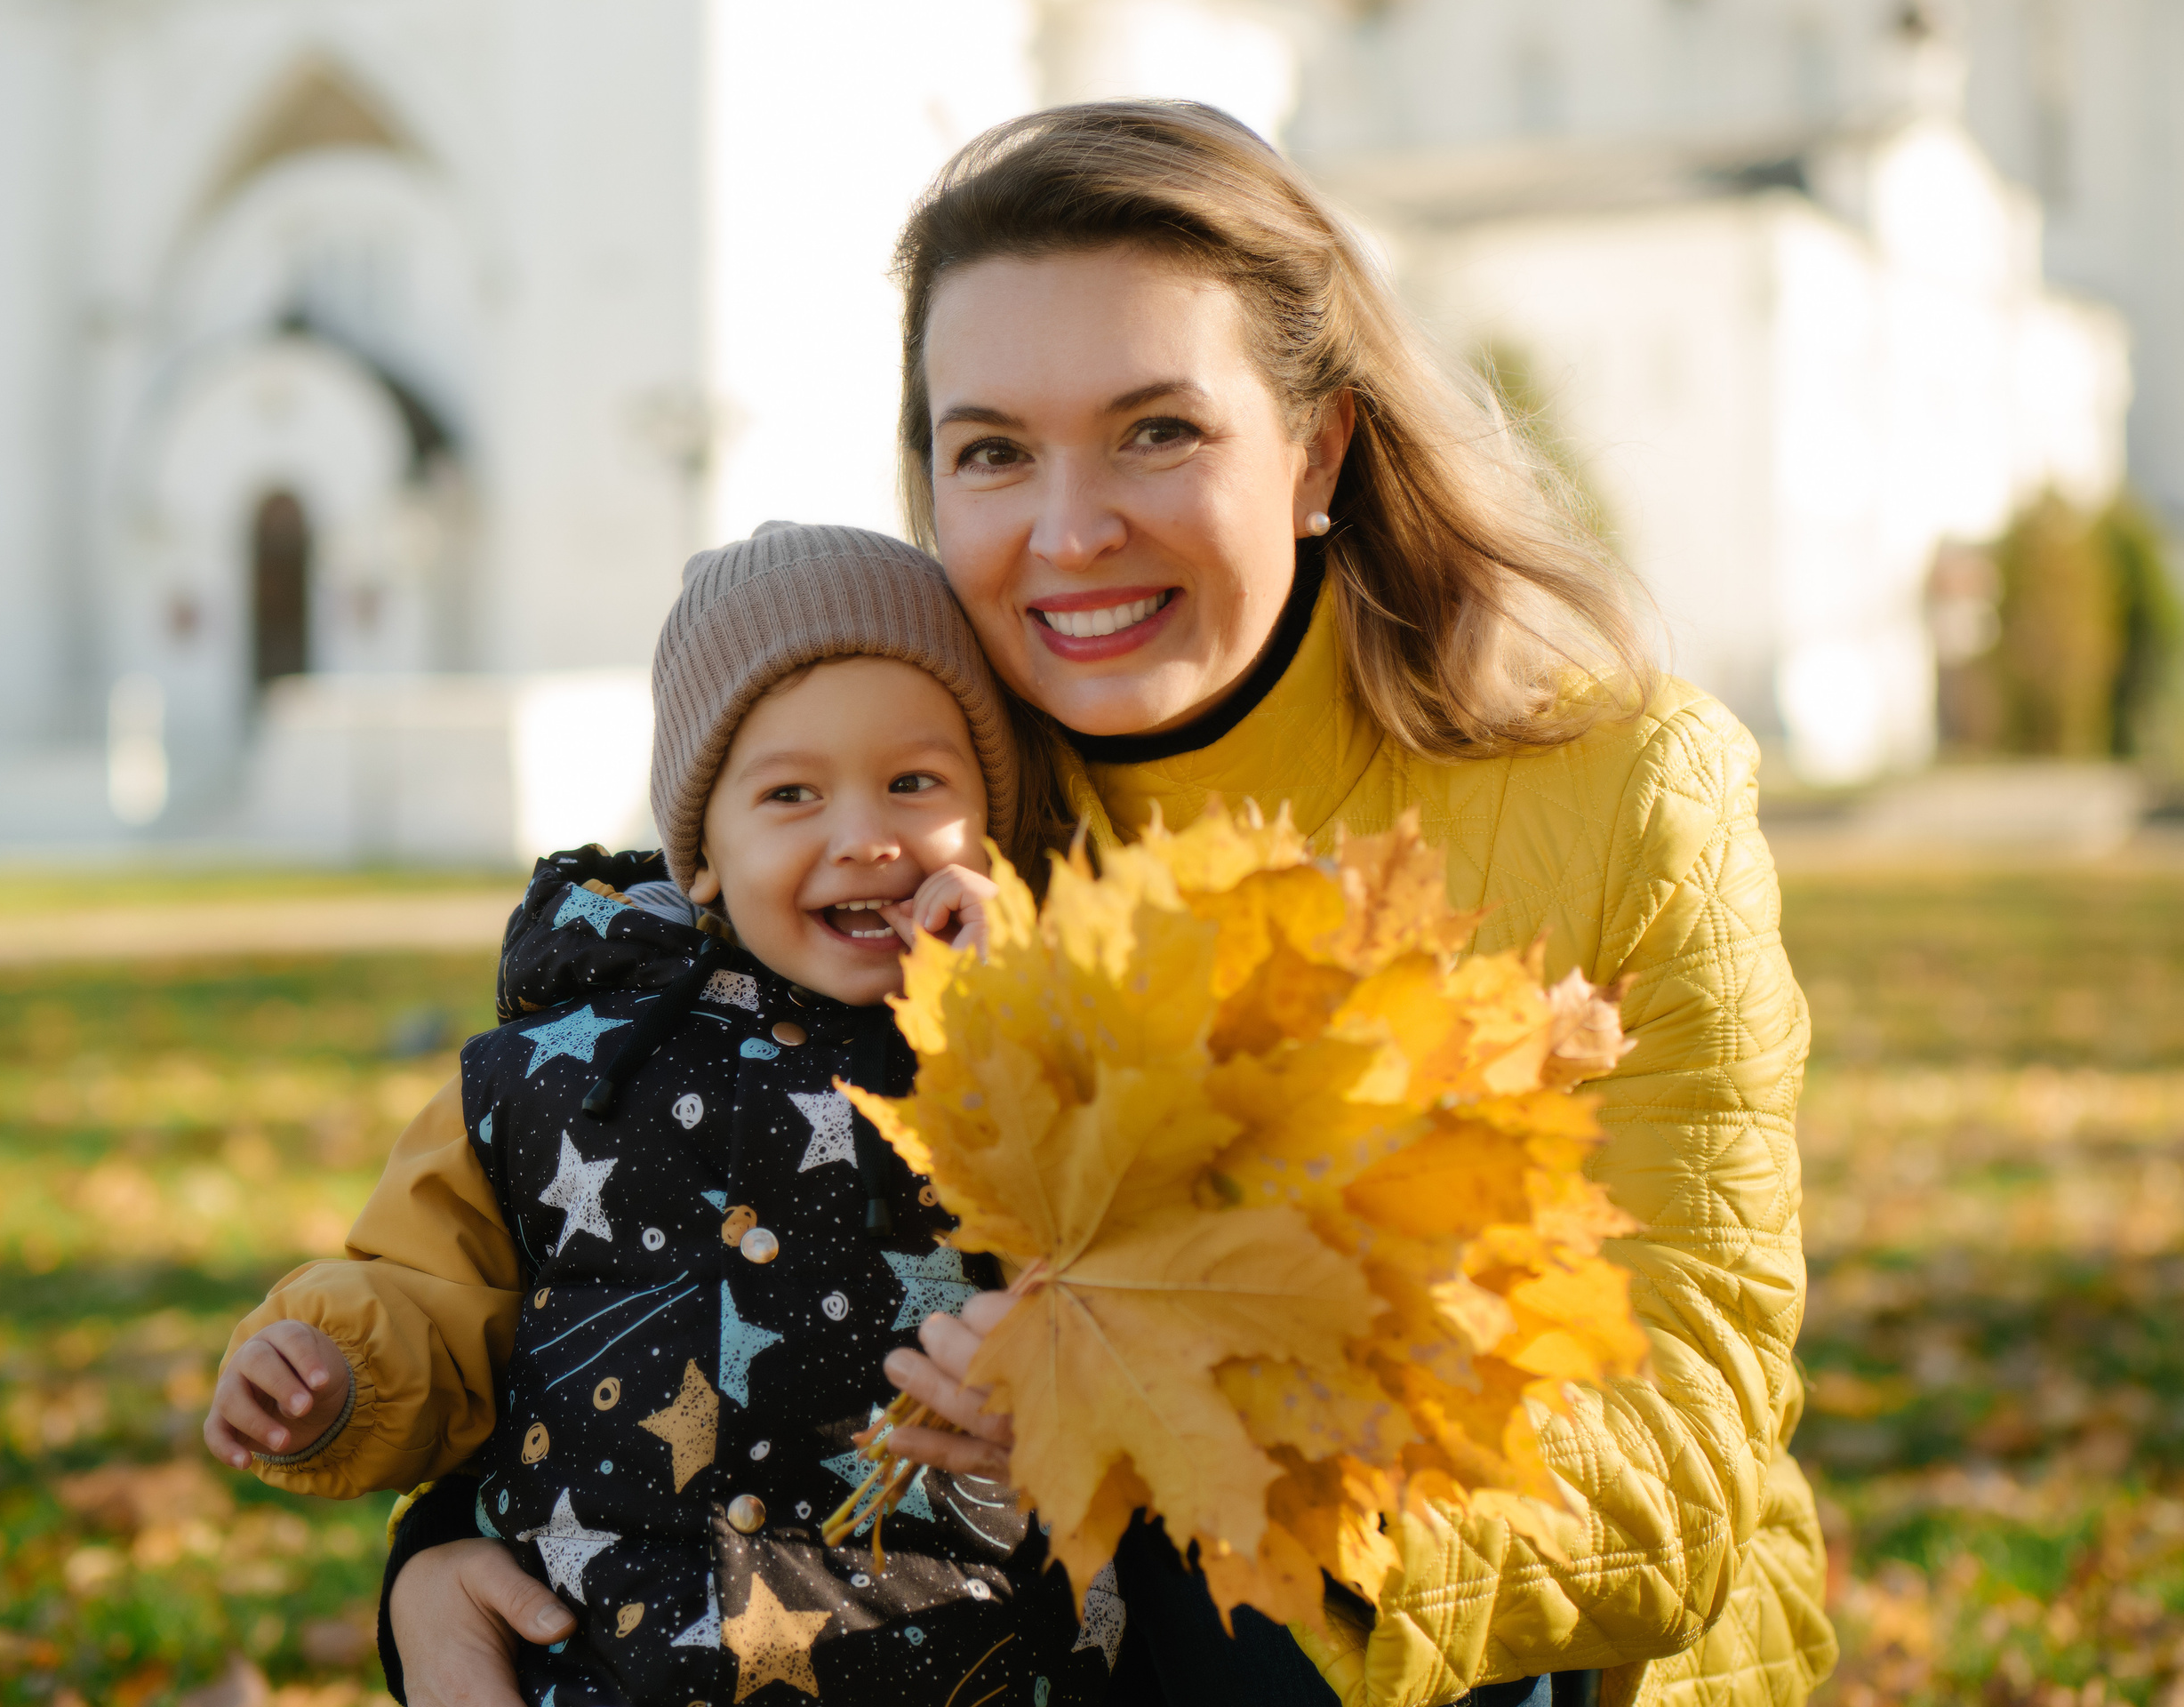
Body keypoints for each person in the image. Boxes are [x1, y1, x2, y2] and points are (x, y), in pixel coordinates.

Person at [385, 102, 1836, 1707]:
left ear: (1319, 452)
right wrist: (444, 1552)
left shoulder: (1625, 790)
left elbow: (1682, 1449)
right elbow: (664, 1208)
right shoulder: (912, 824)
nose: (1071, 534)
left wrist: (1161, 1427)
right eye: (995, 450)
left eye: (1160, 431)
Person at [205, 522, 1119, 1704]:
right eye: (790, 793)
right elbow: (433, 1300)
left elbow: (1140, 1257)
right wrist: (331, 1370)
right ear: (704, 854)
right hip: (607, 1662)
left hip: (948, 1664)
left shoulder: (1033, 1060)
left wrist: (1029, 1020)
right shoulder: (550, 1075)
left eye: (915, 782)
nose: (865, 835)